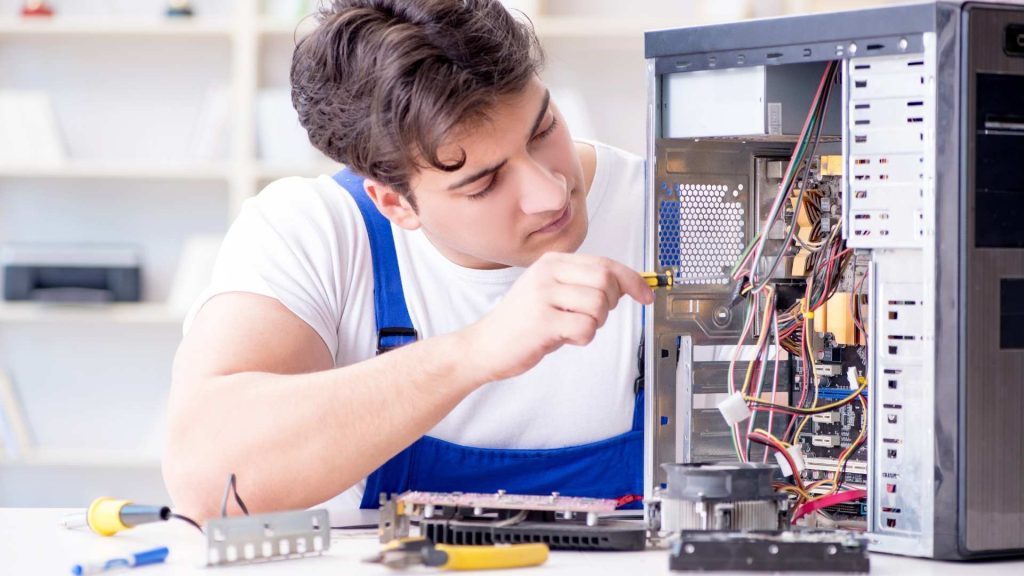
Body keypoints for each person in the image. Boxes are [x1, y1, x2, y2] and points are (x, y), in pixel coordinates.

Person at [163, 0, 653, 521]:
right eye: (484, 183)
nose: (551, 195)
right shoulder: (316, 230)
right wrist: (473, 351)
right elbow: (206, 479)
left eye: (543, 131)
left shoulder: (672, 209)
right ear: (394, 203)